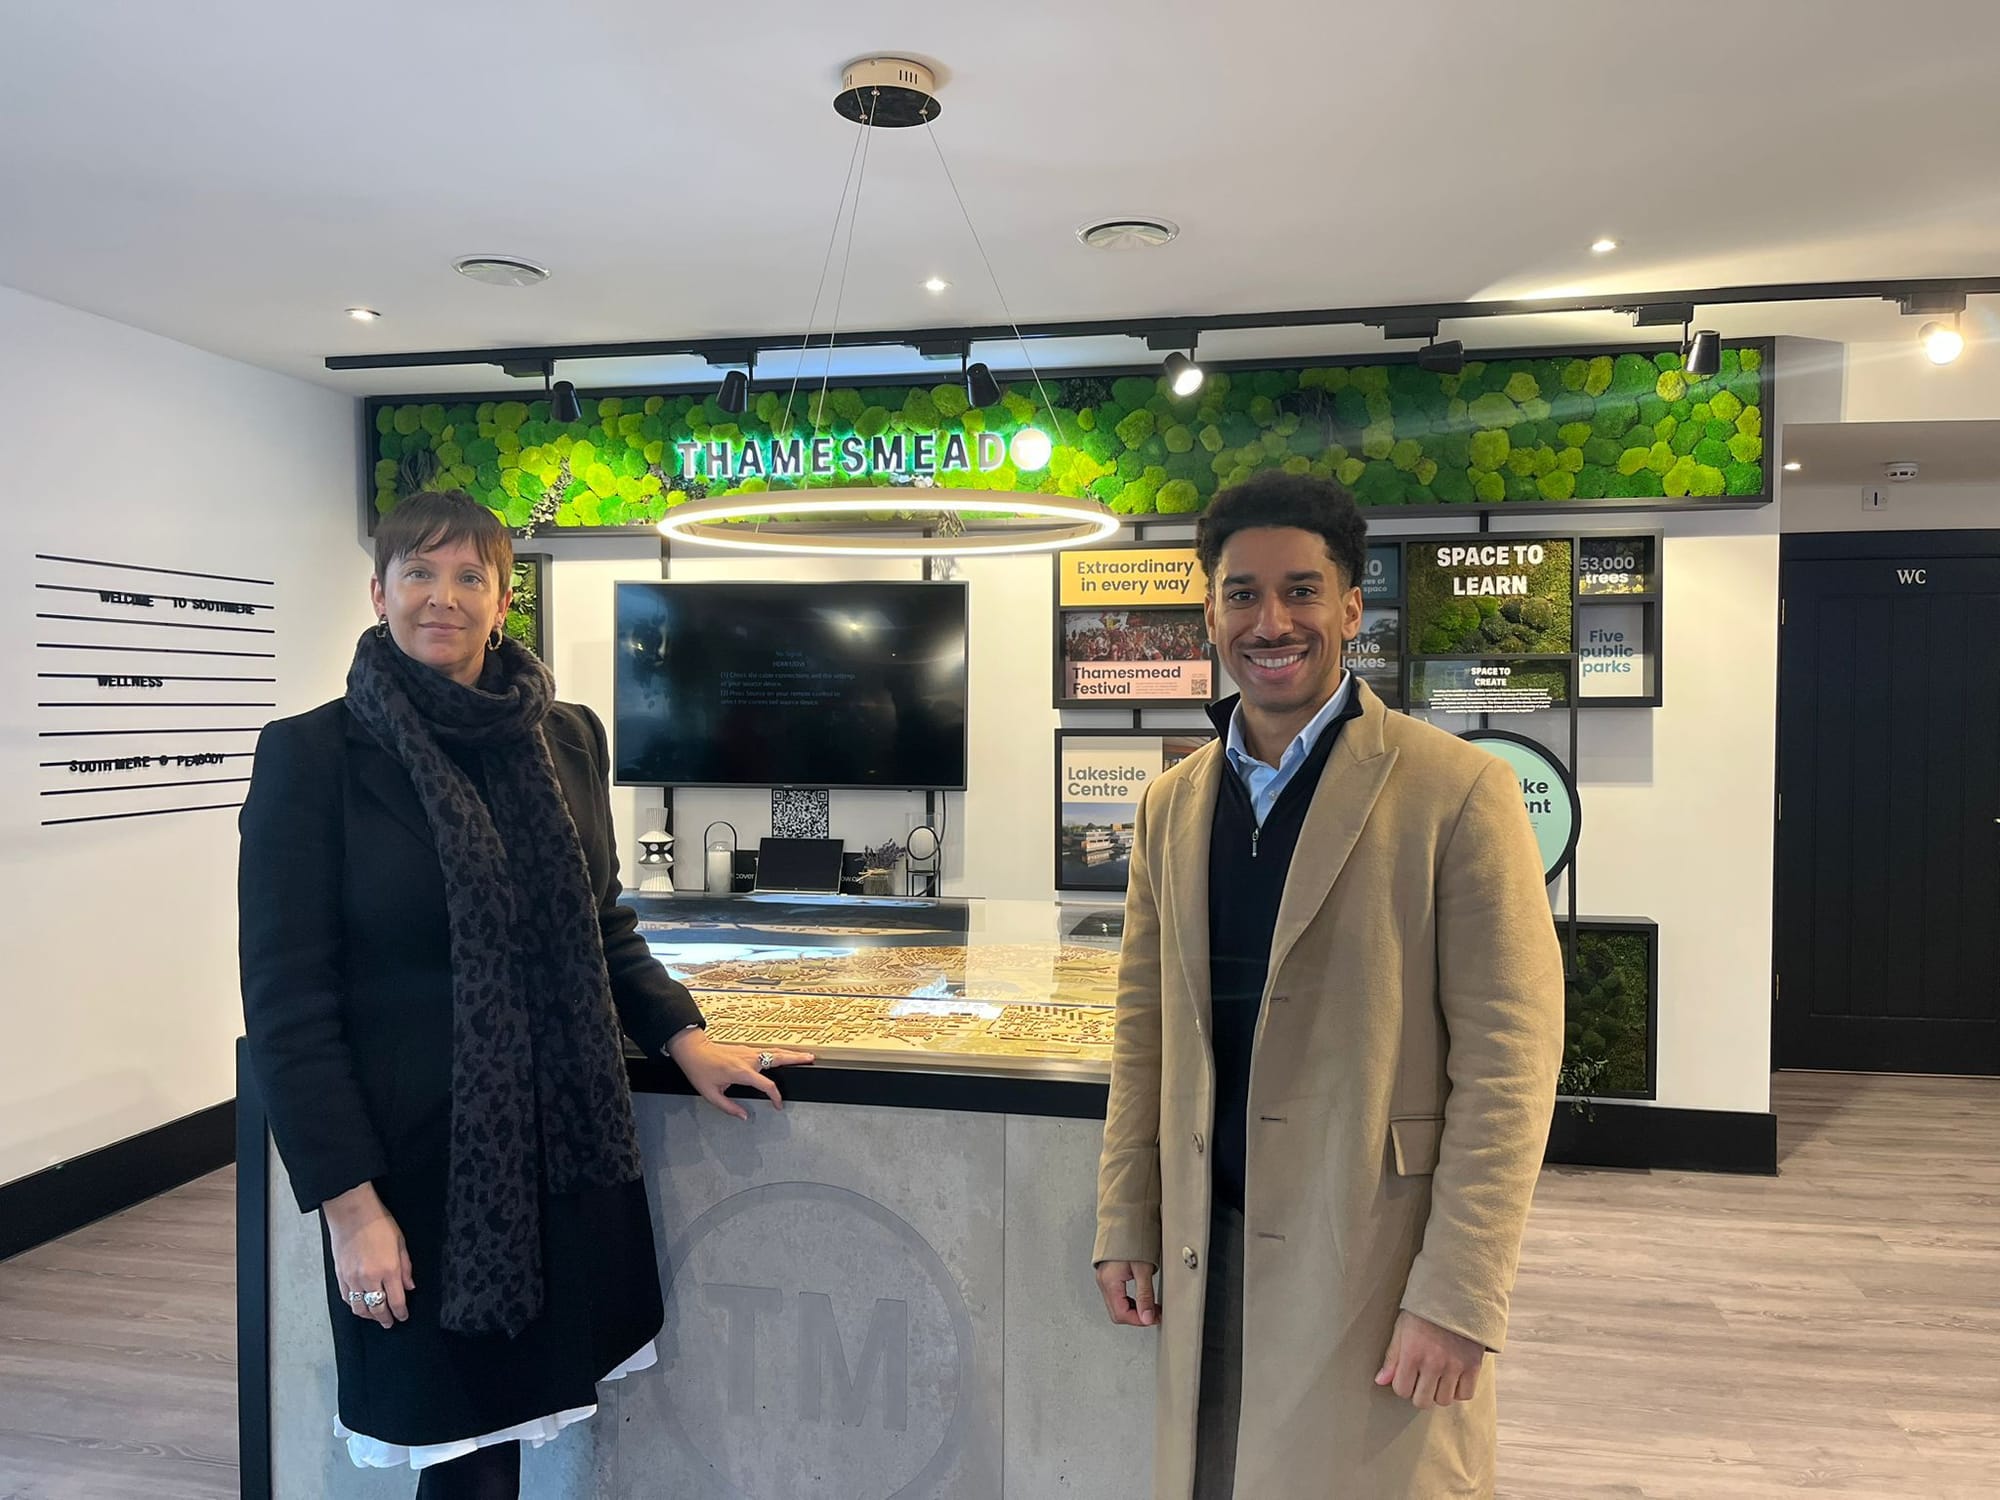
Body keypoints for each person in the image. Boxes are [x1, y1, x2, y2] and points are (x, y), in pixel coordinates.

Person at [239, 490, 811, 1498]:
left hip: (560, 1162)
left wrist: (683, 1037)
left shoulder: (564, 739)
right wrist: (349, 1207)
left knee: (514, 1438)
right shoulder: (313, 756)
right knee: (455, 1451)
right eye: (420, 573)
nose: (443, 598)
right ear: (379, 592)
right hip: (415, 1174)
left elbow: (601, 927)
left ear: (505, 601)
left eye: (470, 577)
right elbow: (288, 1006)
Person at [1091, 473, 1564, 1499]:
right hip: (1203, 1255)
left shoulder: (1457, 790)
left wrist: (1459, 1293)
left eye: (1300, 591)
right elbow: (1144, 1037)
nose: (1271, 621)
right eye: (1242, 593)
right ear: (1207, 609)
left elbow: (1510, 1067)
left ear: (1350, 609)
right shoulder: (1169, 806)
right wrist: (1124, 1216)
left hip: (1372, 1256)